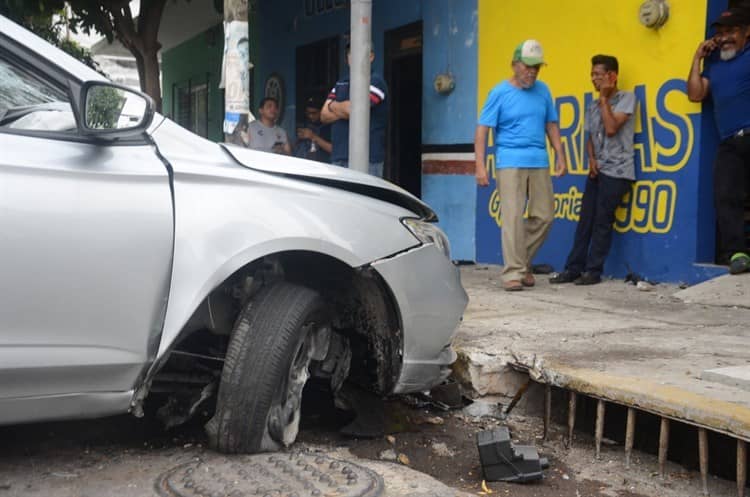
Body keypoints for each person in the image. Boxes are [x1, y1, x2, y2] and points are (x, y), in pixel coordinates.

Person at [474, 39, 567, 292]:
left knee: (545, 216)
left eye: (537, 67)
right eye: (528, 66)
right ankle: (513, 273)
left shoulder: (544, 91)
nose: (533, 72)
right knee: (513, 218)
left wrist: (560, 154)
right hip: (510, 162)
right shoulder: (499, 92)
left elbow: (551, 124)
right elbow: (483, 130)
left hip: (539, 161)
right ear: (514, 65)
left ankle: (521, 263)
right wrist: (480, 166)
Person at [550, 55, 636, 286]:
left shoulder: (626, 99)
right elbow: (591, 137)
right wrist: (591, 159)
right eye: (592, 74)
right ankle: (573, 269)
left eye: (598, 74)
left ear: (612, 76)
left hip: (618, 172)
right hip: (598, 170)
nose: (594, 79)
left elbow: (610, 128)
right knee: (585, 220)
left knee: (602, 221)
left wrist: (604, 100)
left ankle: (593, 271)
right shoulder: (591, 105)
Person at [687, 8, 750, 275]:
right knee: (725, 196)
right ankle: (738, 253)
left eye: (731, 32)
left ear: (747, 32)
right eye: (720, 34)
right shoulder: (714, 66)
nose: (724, 38)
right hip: (729, 142)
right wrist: (697, 58)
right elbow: (695, 93)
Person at [320, 44, 387, 177]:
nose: (354, 57)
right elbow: (323, 116)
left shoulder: (376, 81)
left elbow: (354, 111)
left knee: (364, 198)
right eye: (350, 54)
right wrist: (343, 108)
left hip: (368, 159)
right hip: (339, 157)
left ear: (371, 56)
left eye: (359, 53)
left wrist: (332, 105)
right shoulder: (341, 82)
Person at [294, 96, 332, 163]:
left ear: (321, 111)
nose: (310, 116)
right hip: (304, 165)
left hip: (324, 166)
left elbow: (333, 150)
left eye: (314, 113)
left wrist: (312, 136)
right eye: (308, 113)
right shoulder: (304, 125)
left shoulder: (329, 126)